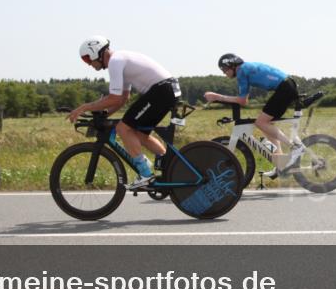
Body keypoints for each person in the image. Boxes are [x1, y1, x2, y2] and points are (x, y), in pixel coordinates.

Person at [68, 36, 180, 189]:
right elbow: (122, 98)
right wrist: (104, 114)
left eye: (87, 59)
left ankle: (145, 174)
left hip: (161, 90)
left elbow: (114, 98)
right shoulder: (120, 60)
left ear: (96, 52)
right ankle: (172, 168)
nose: (88, 64)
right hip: (167, 90)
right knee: (139, 134)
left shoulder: (115, 61)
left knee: (123, 128)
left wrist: (85, 107)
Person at [204, 54, 305, 168]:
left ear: (232, 65)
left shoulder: (242, 71)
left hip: (285, 88)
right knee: (266, 125)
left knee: (261, 123)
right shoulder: (245, 68)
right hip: (286, 86)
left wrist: (217, 97)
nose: (224, 73)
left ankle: (295, 148)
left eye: (224, 69)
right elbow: (243, 99)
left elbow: (242, 101)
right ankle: (280, 162)